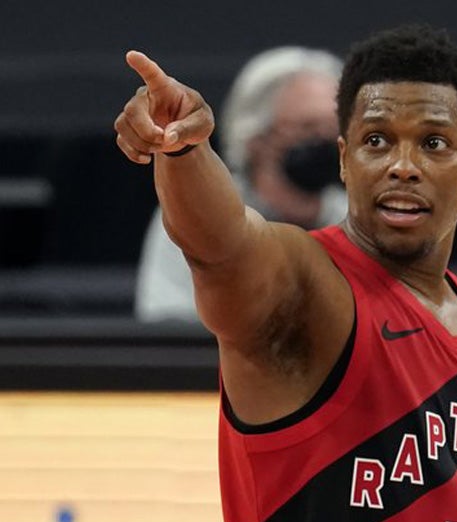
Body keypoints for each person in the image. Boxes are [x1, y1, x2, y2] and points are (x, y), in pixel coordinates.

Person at [114, 24, 457, 522]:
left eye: (433, 143)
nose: (403, 167)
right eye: (377, 141)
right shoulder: (306, 283)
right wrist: (184, 151)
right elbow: (221, 245)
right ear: (344, 159)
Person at [134, 46, 348, 322]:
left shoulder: (359, 218)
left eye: (334, 129)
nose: (325, 141)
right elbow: (168, 325)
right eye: (308, 127)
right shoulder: (195, 210)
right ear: (254, 135)